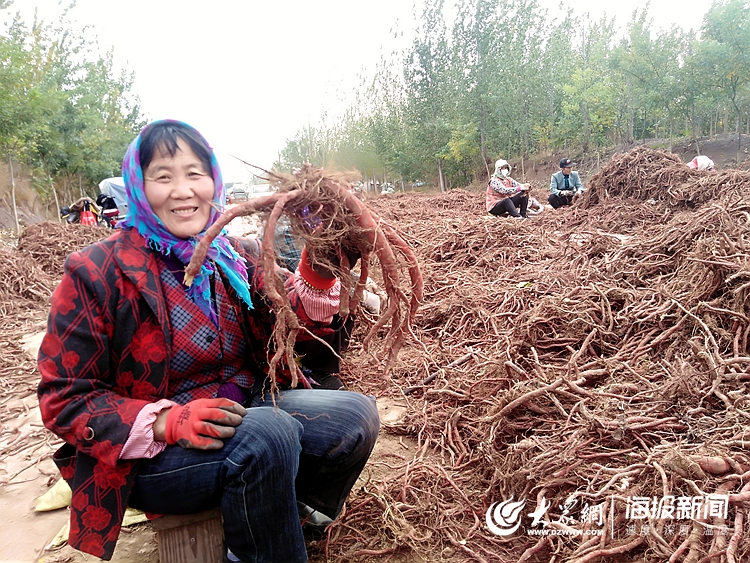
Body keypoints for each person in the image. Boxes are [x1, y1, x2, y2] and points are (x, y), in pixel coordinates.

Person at [37, 120, 380, 563]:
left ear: (212, 180)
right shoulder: (97, 271)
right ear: (139, 188)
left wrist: (321, 264)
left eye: (194, 173)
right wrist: (166, 422)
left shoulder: (235, 255)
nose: (183, 190)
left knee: (355, 416)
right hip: (153, 455)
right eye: (163, 176)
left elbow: (295, 331)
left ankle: (287, 518)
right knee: (269, 435)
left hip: (244, 409)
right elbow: (63, 398)